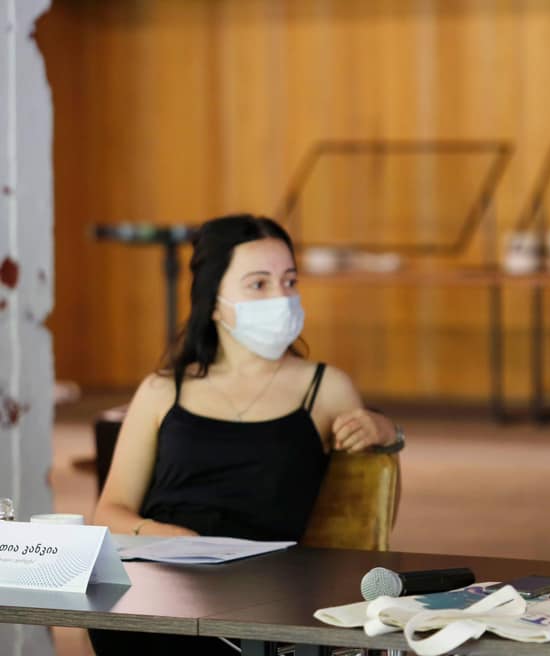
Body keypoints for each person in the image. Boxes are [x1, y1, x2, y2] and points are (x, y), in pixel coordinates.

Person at [90, 214, 402, 655]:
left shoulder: (325, 388)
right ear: (214, 301)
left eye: (289, 281)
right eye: (259, 284)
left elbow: (376, 471)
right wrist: (168, 536)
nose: (281, 297)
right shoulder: (162, 389)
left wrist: (385, 428)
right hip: (161, 577)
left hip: (262, 593)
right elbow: (109, 512)